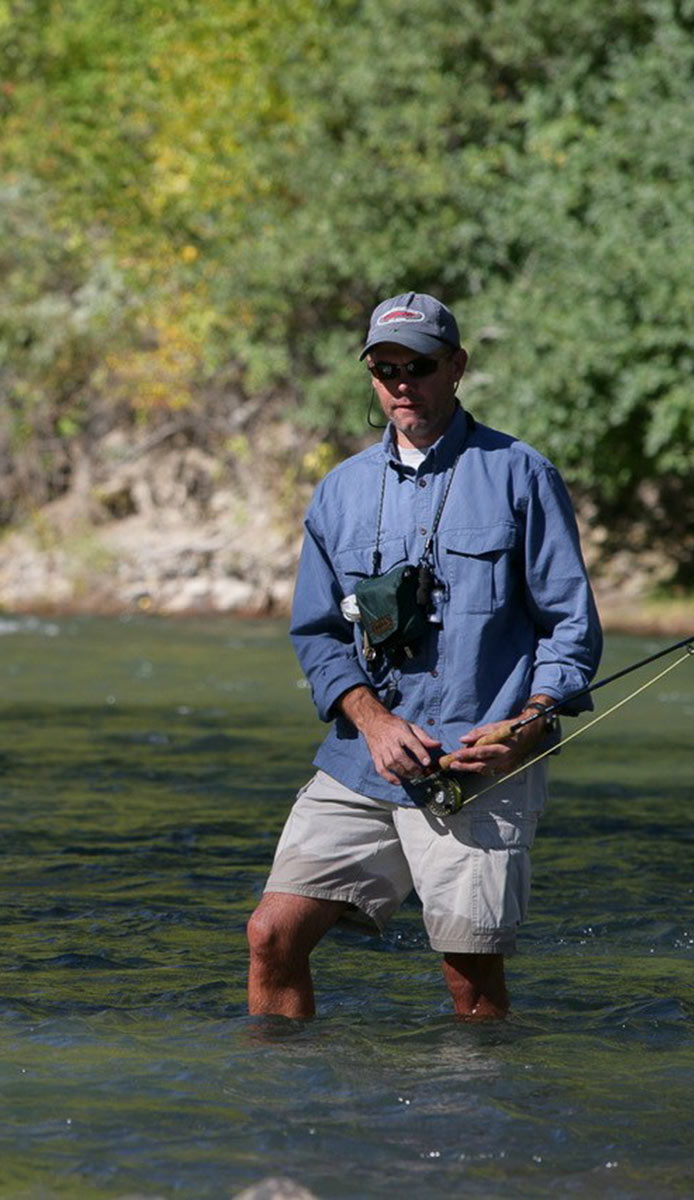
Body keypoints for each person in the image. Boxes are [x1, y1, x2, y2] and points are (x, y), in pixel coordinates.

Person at [246, 291, 601, 1019]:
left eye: (420, 365)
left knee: (467, 975)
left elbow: (571, 627)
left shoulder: (521, 474)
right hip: (362, 762)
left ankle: (479, 1119)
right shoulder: (339, 491)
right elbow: (316, 635)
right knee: (271, 937)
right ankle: (283, 1112)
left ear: (457, 367)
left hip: (482, 764)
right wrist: (373, 724)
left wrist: (528, 726)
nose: (401, 382)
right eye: (385, 368)